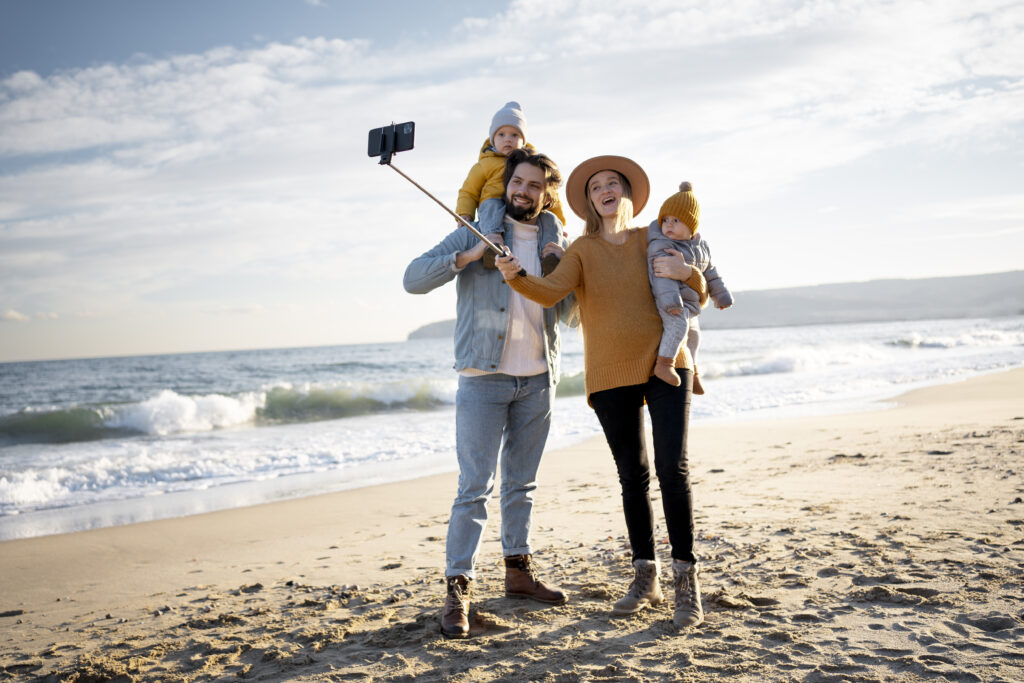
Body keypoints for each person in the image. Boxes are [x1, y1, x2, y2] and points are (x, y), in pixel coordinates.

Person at [495, 155, 709, 629]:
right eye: (596, 187)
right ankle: (646, 578)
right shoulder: (581, 251)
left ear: (628, 193)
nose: (605, 190)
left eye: (613, 183)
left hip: (667, 363)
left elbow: (700, 284)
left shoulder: (653, 236)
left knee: (673, 470)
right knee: (633, 477)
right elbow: (550, 292)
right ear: (589, 201)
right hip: (610, 372)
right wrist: (515, 276)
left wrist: (688, 275)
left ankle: (685, 582)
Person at [403, 148, 575, 639]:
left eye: (535, 185)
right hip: (484, 376)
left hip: (538, 377)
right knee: (474, 487)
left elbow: (570, 314)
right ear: (506, 183)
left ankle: (518, 573)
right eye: (517, 182)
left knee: (522, 484)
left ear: (547, 193)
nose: (524, 191)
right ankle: (458, 589)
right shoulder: (476, 230)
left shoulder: (557, 242)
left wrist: (562, 271)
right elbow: (413, 279)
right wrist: (469, 257)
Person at [456, 102, 567, 276]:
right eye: (501, 134)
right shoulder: (485, 164)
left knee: (550, 219)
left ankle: (550, 256)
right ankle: (493, 245)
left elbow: (551, 195)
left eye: (514, 135)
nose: (508, 139)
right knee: (490, 206)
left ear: (524, 140)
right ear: (493, 138)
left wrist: (560, 223)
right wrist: (465, 214)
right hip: (493, 203)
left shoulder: (533, 166)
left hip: (526, 211)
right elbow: (469, 191)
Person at [647, 181, 733, 393]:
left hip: (690, 306)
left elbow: (711, 274)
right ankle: (664, 364)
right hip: (670, 302)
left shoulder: (701, 247)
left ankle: (693, 372)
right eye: (665, 220)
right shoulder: (662, 245)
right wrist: (671, 303)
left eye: (676, 220)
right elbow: (662, 279)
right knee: (678, 327)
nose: (668, 225)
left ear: (691, 225)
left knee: (694, 336)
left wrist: (721, 296)